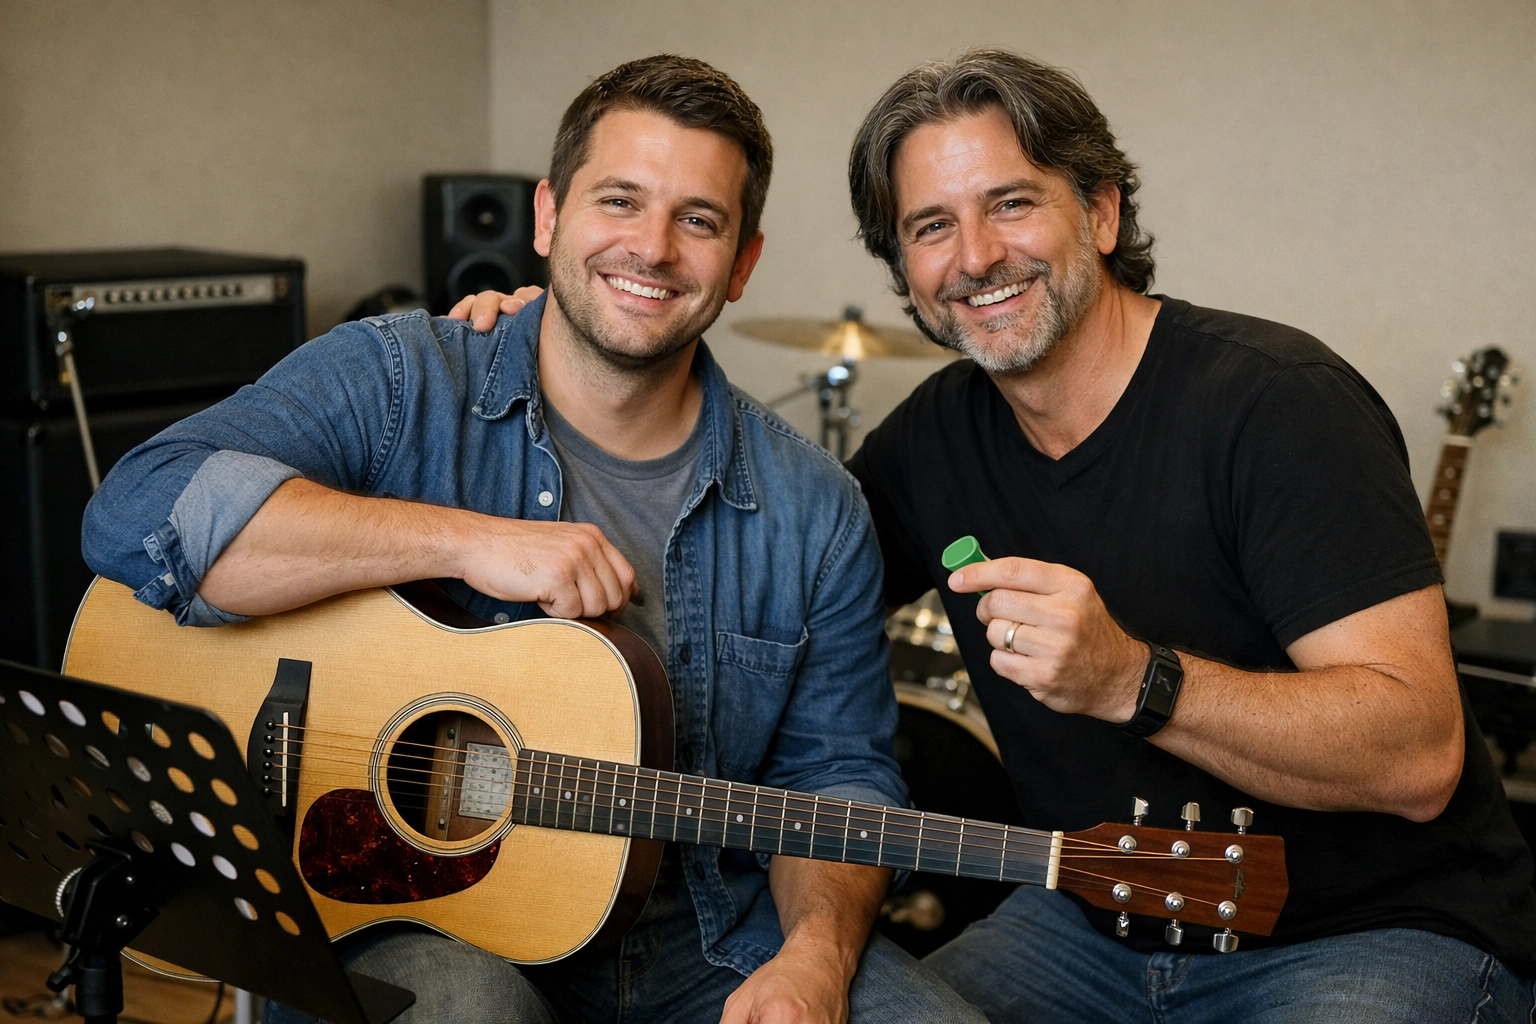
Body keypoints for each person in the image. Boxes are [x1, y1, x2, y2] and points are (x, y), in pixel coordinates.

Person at [81, 55, 983, 1024]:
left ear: (743, 261)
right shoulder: (399, 381)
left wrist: (814, 953)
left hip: (703, 933)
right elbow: (138, 512)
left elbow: (838, 773)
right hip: (404, 917)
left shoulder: (817, 504)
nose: (653, 247)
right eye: (620, 200)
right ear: (549, 216)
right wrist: (466, 543)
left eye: (699, 219)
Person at [833, 48, 1536, 1022]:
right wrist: (555, 376)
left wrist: (1131, 678)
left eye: (1012, 203)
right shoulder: (930, 441)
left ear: (1103, 214)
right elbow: (765, 597)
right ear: (906, 271)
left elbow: (1419, 756)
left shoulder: (1276, 404)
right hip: (1091, 923)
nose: (976, 255)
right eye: (931, 226)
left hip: (1372, 930)